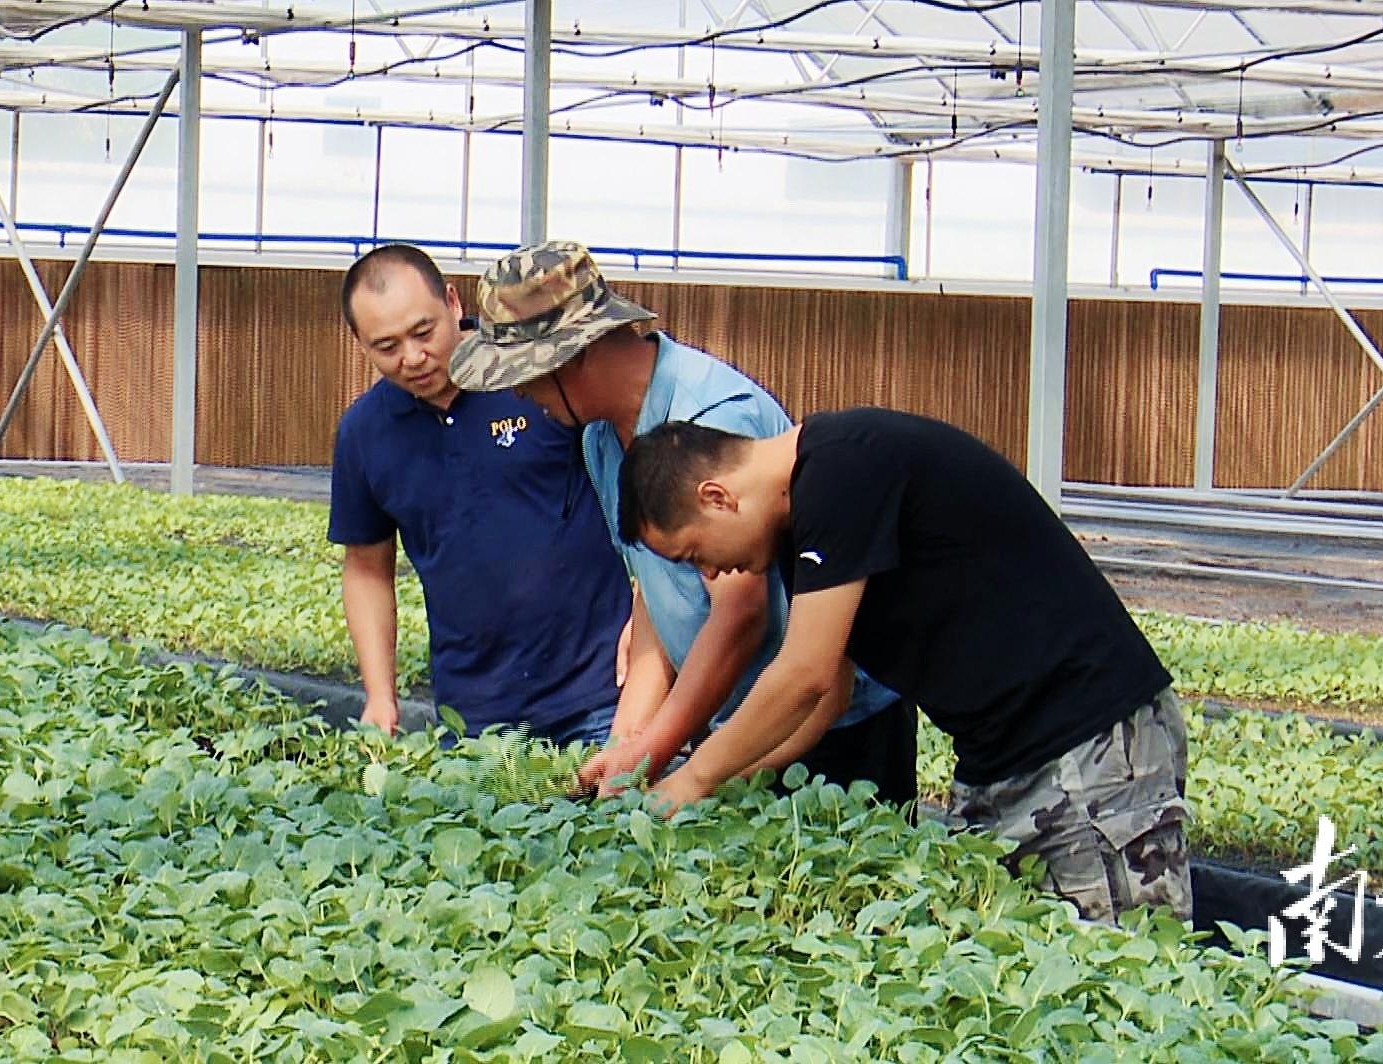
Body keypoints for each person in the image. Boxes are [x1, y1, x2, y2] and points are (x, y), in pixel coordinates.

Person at [613, 408, 1191, 922]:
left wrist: (696, 776)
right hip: (998, 759)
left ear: (717, 497)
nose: (710, 574)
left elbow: (805, 674)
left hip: (1087, 746)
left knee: (1117, 962)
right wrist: (730, 781)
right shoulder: (799, 523)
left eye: (696, 554)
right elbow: (830, 697)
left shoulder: (841, 469)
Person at [447, 240, 915, 804]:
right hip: (734, 726)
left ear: (574, 355)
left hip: (827, 725)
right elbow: (654, 595)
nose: (520, 392)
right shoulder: (601, 437)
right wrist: (626, 744)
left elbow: (742, 613)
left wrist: (656, 752)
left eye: (526, 373)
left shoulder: (709, 417)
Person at [328, 244, 631, 747]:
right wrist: (380, 695)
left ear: (452, 302)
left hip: (601, 694)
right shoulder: (364, 433)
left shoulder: (535, 378)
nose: (412, 358)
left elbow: (638, 502)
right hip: (474, 717)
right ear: (359, 342)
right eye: (387, 346)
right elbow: (366, 568)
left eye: (423, 332)